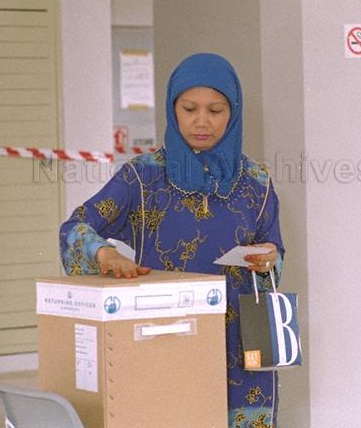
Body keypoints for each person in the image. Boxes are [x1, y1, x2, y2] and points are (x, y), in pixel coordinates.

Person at [59, 53, 285, 428]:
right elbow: (76, 225)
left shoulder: (256, 182)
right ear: (172, 108)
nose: (201, 121)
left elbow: (275, 256)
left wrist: (269, 257)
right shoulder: (143, 178)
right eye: (189, 108)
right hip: (166, 338)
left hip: (242, 347)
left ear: (234, 112)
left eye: (215, 110)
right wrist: (104, 253)